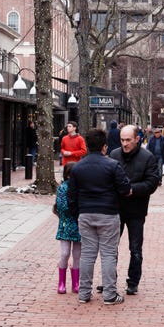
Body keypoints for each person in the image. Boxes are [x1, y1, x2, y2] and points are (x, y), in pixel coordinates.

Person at [68, 128, 131, 305]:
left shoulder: (78, 167)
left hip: (86, 214)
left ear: (87, 146)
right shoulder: (112, 165)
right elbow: (125, 188)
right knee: (108, 254)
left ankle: (84, 293)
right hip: (108, 213)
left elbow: (71, 196)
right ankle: (110, 294)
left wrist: (77, 214)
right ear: (105, 146)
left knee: (87, 254)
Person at [109, 124, 160, 295]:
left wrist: (133, 189)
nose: (125, 144)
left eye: (128, 140)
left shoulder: (147, 157)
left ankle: (133, 281)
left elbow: (152, 182)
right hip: (116, 209)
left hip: (136, 209)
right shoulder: (114, 155)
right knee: (111, 247)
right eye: (122, 140)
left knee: (135, 248)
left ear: (137, 139)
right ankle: (109, 279)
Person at [55, 163, 81, 294]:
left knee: (77, 255)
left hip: (79, 225)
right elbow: (61, 206)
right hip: (66, 224)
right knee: (65, 253)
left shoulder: (81, 187)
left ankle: (76, 283)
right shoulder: (62, 188)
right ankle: (61, 282)